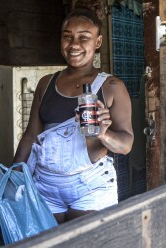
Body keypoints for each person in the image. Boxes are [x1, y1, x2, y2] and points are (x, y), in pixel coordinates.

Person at [13, 0, 134, 224]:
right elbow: (31, 136)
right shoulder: (46, 84)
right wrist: (13, 176)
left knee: (86, 241)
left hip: (90, 186)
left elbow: (126, 145)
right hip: (46, 184)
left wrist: (103, 134)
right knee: (49, 241)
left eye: (84, 37)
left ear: (98, 42)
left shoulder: (111, 87)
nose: (74, 44)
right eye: (67, 36)